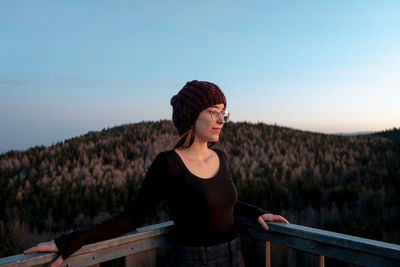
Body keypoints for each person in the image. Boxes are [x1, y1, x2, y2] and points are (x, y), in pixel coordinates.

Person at [25, 80, 289, 267]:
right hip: (194, 261)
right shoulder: (169, 164)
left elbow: (225, 202)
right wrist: (70, 241)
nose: (221, 119)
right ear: (191, 115)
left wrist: (256, 212)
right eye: (213, 111)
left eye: (224, 112)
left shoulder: (220, 157)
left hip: (235, 256)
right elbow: (130, 218)